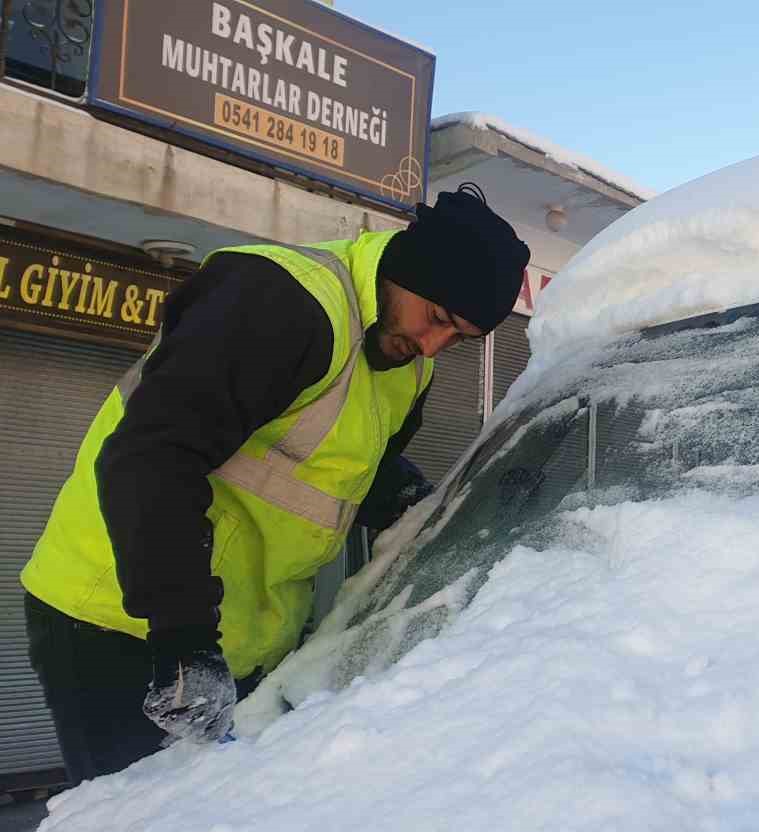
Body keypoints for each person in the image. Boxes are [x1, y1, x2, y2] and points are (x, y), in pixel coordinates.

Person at [19, 184, 530, 784]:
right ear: (407, 268)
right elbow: (150, 454)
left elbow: (339, 469)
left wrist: (412, 503)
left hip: (244, 642)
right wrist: (183, 638)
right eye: (439, 318)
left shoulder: (409, 368)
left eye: (461, 338)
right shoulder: (284, 302)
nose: (433, 344)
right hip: (124, 624)